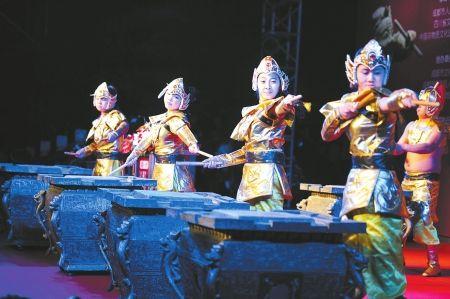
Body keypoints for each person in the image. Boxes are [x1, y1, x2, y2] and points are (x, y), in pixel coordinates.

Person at [320, 39, 418, 299]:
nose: (371, 77)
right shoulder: (346, 102)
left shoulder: (385, 102)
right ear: (353, 73)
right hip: (355, 186)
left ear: (385, 74)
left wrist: (400, 96)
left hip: (382, 185)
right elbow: (327, 134)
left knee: (384, 248)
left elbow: (387, 105)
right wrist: (342, 113)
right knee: (355, 249)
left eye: (377, 72)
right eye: (365, 71)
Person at [203, 56, 302, 211]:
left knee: (268, 227)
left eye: (273, 81)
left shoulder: (277, 107)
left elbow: (274, 112)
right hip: (250, 178)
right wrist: (223, 160)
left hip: (268, 179)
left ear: (281, 85)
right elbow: (249, 150)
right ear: (255, 83)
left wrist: (284, 105)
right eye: (263, 81)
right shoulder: (252, 113)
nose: (267, 86)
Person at [395, 82, 447, 277]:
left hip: (426, 181)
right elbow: (398, 146)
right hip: (407, 179)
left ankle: (434, 263)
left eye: (421, 104)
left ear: (431, 107)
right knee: (399, 219)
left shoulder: (440, 127)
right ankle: (398, 259)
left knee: (424, 220)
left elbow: (427, 147)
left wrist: (402, 148)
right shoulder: (411, 125)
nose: (417, 107)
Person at [125, 78, 199, 191]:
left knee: (171, 203)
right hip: (159, 168)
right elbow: (148, 139)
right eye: (168, 94)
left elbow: (183, 131)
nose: (170, 98)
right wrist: (134, 154)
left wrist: (192, 144)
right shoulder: (162, 119)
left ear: (183, 102)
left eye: (176, 97)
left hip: (173, 171)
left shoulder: (176, 120)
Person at [74, 82, 129, 176]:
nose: (99, 101)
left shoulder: (115, 115)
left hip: (112, 164)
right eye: (97, 98)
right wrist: (85, 150)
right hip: (99, 163)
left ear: (112, 100)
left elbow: (125, 125)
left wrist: (116, 133)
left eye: (103, 98)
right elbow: (99, 143)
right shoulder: (98, 121)